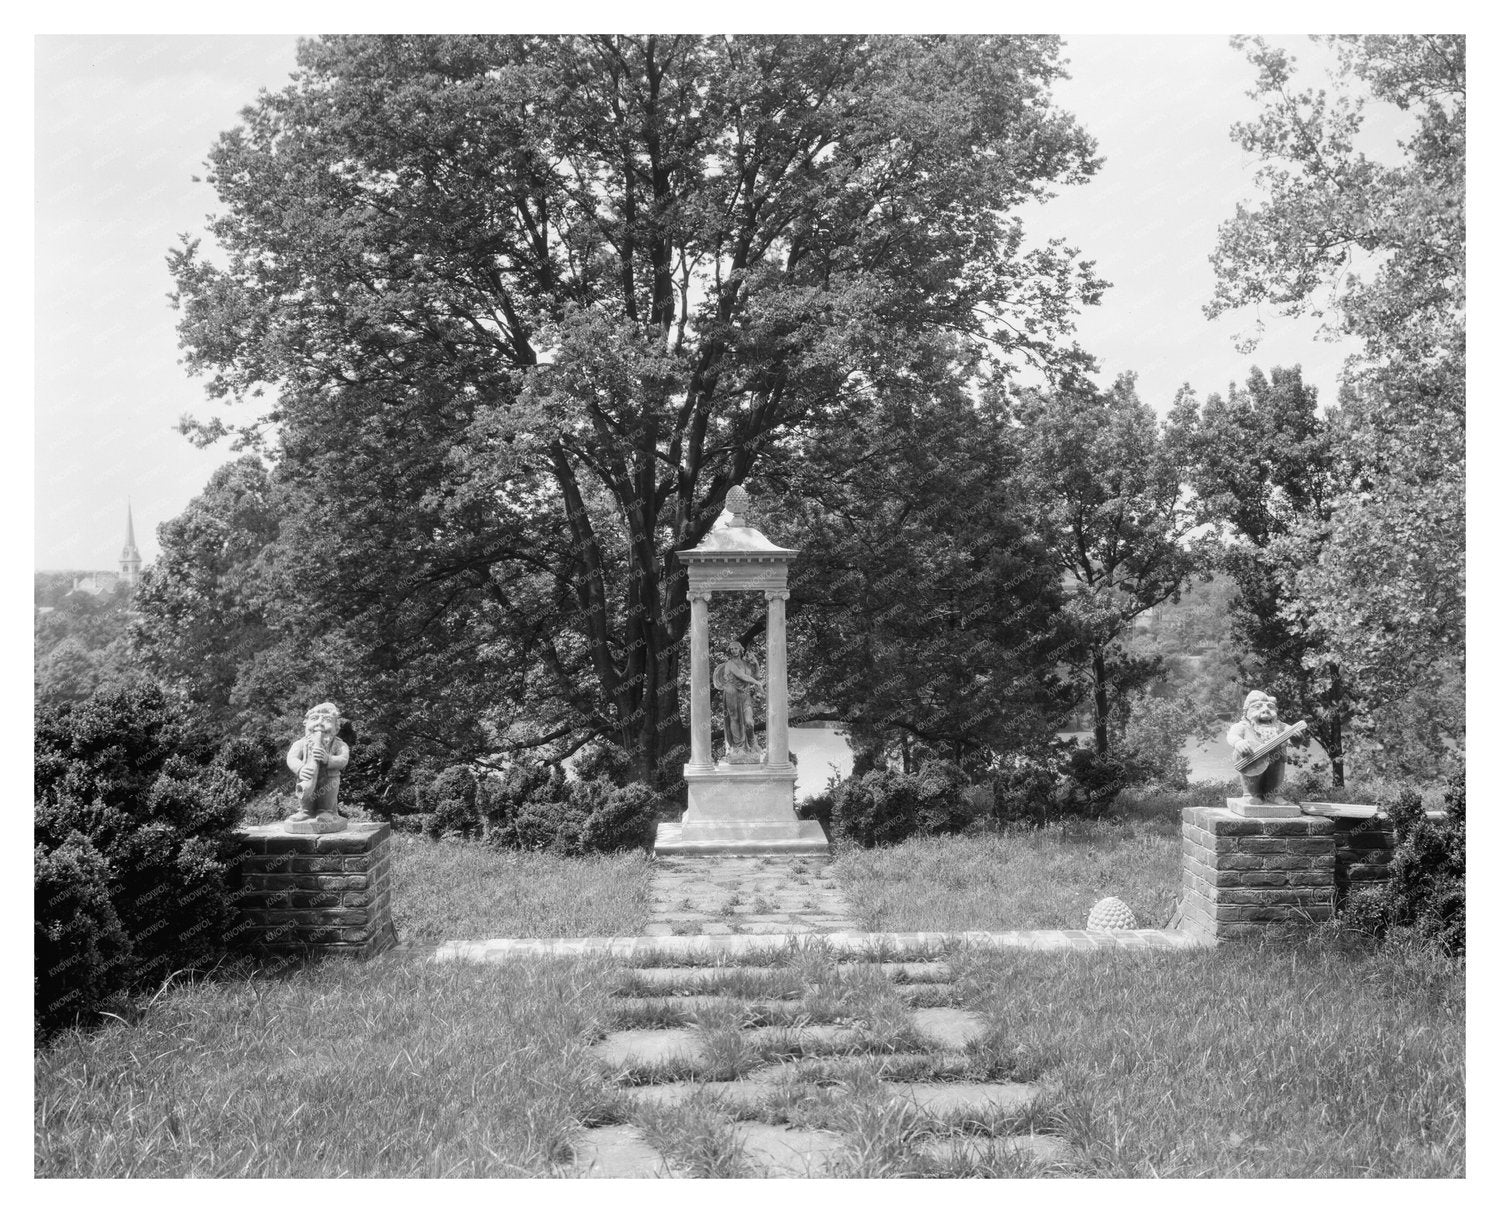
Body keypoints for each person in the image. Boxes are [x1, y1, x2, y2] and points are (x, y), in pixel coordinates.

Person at [286, 701, 351, 821]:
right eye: (314, 718)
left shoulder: (339, 745)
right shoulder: (300, 743)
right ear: (306, 724)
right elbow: (291, 758)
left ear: (336, 728)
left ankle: (326, 811)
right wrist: (300, 768)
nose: (319, 723)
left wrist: (328, 759)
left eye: (326, 719)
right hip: (307, 776)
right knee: (306, 795)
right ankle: (305, 811)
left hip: (329, 778)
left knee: (328, 792)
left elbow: (343, 760)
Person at [1228, 690, 1291, 804]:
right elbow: (1232, 735)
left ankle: (1273, 795)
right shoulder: (1243, 726)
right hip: (1253, 759)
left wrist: (1296, 736)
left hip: (1276, 759)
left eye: (1270, 707)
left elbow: (1292, 734)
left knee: (1276, 773)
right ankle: (1251, 795)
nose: (1266, 710)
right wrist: (1238, 742)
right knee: (1252, 772)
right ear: (1246, 713)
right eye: (1257, 707)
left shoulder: (1280, 726)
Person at [713, 641, 764, 761]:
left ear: (741, 650)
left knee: (749, 722)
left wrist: (756, 664)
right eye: (732, 649)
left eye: (736, 649)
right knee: (734, 719)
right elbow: (742, 676)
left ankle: (752, 744)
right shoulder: (729, 664)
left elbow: (756, 676)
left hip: (745, 695)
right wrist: (756, 683)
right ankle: (738, 747)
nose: (734, 651)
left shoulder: (746, 663)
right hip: (731, 693)